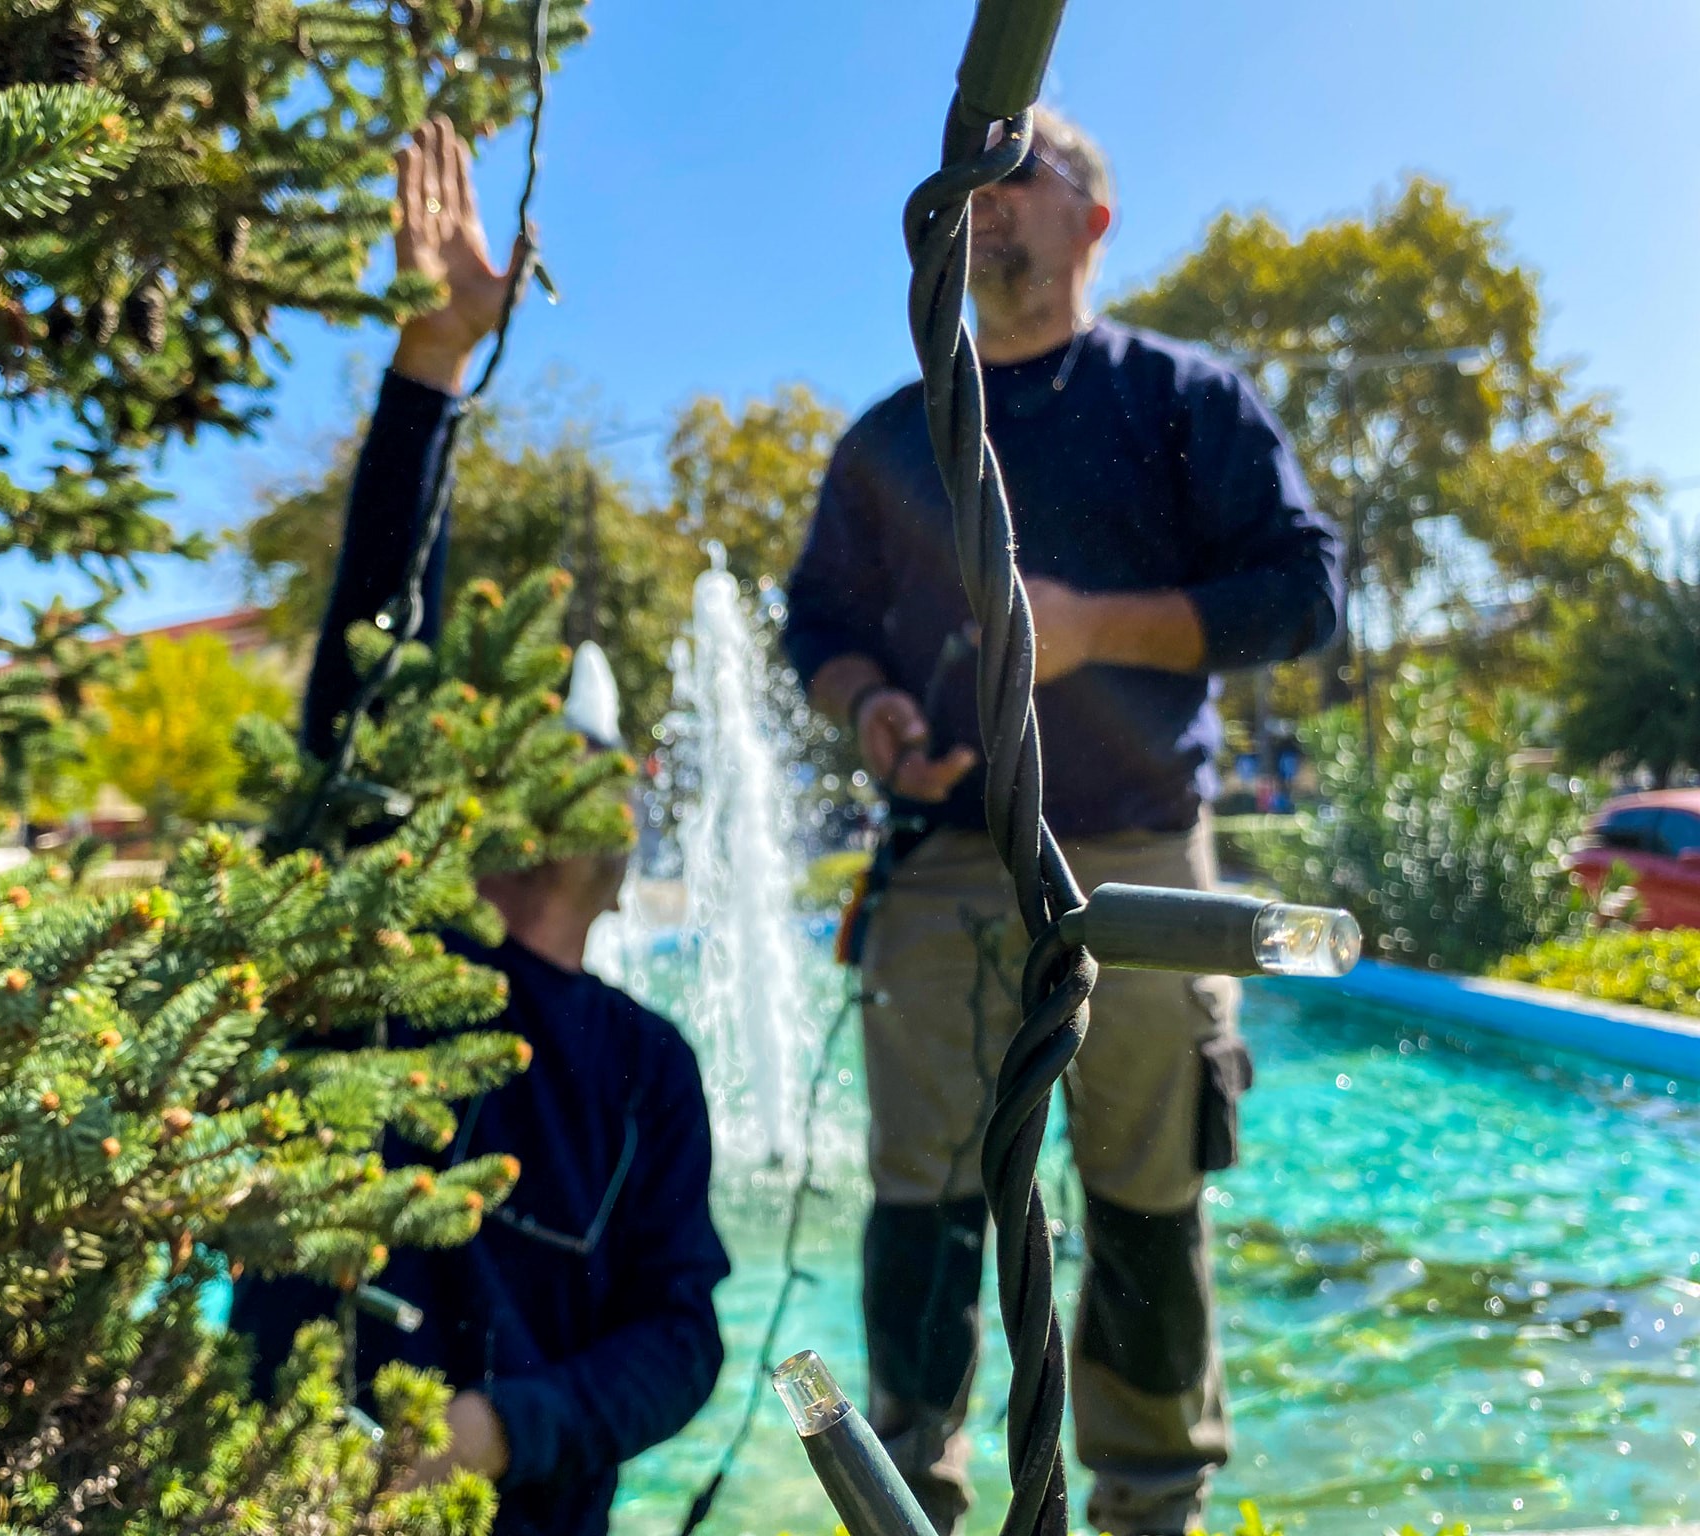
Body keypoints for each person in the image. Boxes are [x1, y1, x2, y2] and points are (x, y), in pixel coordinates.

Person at [783, 107, 1341, 1535]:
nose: (984, 197)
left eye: (1017, 168)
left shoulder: (1180, 398)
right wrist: (871, 715)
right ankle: (911, 1490)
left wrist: (1099, 629)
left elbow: (1301, 595)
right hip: (939, 864)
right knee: (919, 1200)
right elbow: (821, 625)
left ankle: (1148, 1502)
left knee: (1148, 1196)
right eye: (968, 176)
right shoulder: (892, 437)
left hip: (1143, 861)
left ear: (1093, 219)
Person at [233, 119, 730, 1536]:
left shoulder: (651, 1075)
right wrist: (433, 362)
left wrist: (513, 1427)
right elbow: (372, 684)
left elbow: (682, 1338)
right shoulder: (374, 963)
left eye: (595, 754)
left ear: (632, 829)